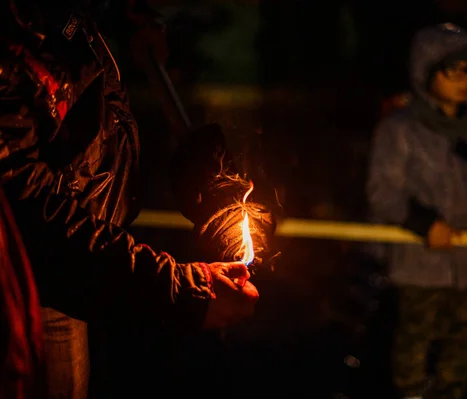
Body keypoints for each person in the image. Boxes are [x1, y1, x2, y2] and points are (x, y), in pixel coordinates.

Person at [0, 1, 271, 398]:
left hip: (90, 272)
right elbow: (30, 218)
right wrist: (182, 290)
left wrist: (215, 187)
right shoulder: (15, 36)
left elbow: (86, 124)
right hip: (37, 293)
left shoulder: (62, 19)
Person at [366, 23, 467, 399]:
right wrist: (423, 224)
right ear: (427, 71)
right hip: (419, 267)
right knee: (412, 349)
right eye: (452, 71)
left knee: (459, 351)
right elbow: (383, 193)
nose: (463, 80)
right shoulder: (398, 131)